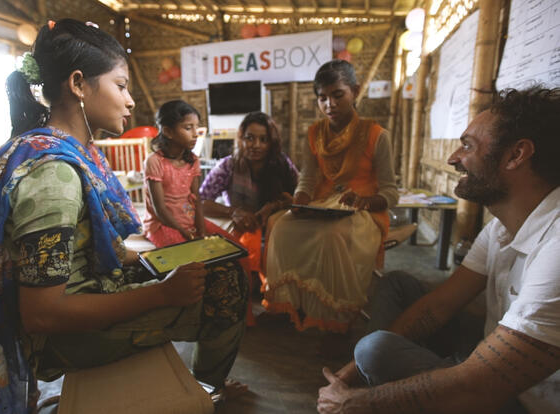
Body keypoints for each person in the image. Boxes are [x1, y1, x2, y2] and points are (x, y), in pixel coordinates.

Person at [0, 20, 247, 414]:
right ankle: (208, 390)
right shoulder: (53, 174)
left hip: (90, 294)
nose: (131, 101)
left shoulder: (72, 153)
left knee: (216, 267)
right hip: (68, 338)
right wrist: (162, 293)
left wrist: (151, 260)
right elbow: (42, 313)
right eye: (120, 86)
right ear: (79, 84)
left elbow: (85, 249)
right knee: (227, 288)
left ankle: (205, 386)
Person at [317, 87, 560, 414]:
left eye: (468, 146)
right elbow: (441, 305)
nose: (453, 158)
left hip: (522, 400)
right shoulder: (501, 228)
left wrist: (356, 403)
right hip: (484, 360)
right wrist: (352, 372)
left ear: (516, 155)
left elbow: (481, 386)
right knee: (396, 287)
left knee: (376, 350)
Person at [263, 59, 398, 333]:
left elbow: (390, 192)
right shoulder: (314, 133)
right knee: (279, 225)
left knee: (331, 237)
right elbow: (308, 178)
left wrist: (363, 201)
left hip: (364, 211)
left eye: (338, 95)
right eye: (322, 98)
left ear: (355, 92)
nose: (329, 105)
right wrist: (300, 197)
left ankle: (335, 320)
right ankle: (290, 304)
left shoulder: (376, 135)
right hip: (321, 206)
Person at [199, 111, 298, 275]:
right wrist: (233, 212)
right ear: (241, 139)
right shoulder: (228, 166)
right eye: (250, 138)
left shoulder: (282, 163)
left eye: (263, 140)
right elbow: (200, 203)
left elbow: (301, 195)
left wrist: (275, 206)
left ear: (271, 143)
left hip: (276, 230)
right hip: (243, 228)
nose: (256, 145)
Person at [142, 100, 236, 247]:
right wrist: (183, 231)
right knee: (190, 255)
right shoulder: (154, 162)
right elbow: (159, 210)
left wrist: (202, 231)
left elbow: (196, 199)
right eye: (188, 128)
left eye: (196, 127)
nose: (195, 134)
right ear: (168, 132)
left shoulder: (192, 160)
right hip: (162, 225)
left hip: (189, 221)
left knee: (231, 245)